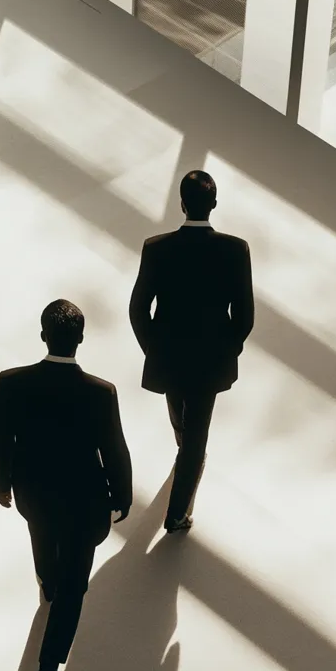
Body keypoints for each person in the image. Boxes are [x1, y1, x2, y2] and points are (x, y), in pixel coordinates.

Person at [0, 299, 133, 671]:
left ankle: (45, 582)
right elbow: (114, 449)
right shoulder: (100, 393)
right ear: (81, 339)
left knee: (41, 536)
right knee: (75, 588)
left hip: (33, 492)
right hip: (84, 502)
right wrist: (122, 495)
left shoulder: (12, 382)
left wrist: (2, 483)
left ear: (42, 334)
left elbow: (0, 439)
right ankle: (48, 670)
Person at [129, 170, 254, 532]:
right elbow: (243, 315)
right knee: (197, 436)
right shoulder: (234, 249)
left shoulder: (157, 248)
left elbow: (139, 309)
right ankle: (177, 513)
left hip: (168, 355)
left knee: (180, 419)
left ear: (181, 204)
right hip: (209, 359)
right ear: (213, 204)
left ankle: (182, 448)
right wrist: (227, 350)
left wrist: (153, 348)